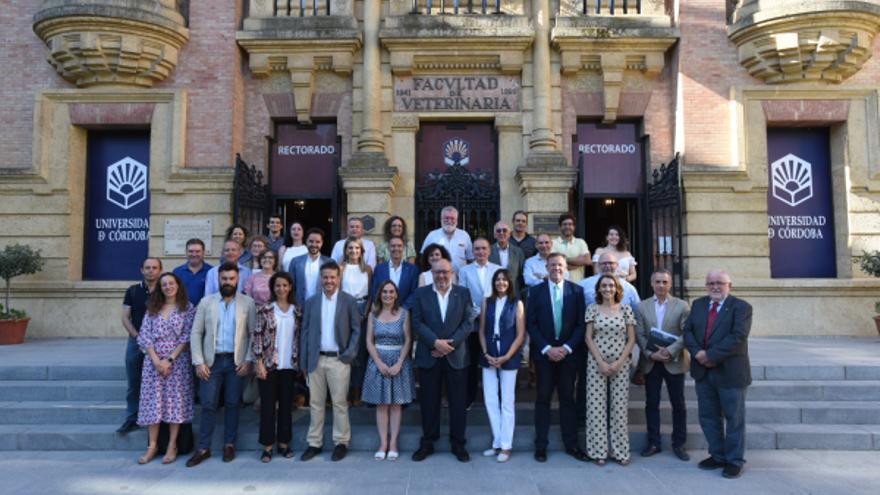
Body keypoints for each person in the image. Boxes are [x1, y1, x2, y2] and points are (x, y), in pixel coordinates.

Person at [683, 270, 753, 479]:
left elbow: (738, 336)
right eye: (711, 283)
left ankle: (734, 461)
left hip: (730, 372)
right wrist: (697, 353)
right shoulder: (698, 305)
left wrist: (710, 355)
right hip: (704, 372)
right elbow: (688, 332)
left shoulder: (742, 307)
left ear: (729, 286)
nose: (715, 287)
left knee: (734, 419)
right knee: (708, 417)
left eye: (720, 283)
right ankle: (717, 455)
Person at [186, 263, 256, 467]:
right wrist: (198, 362)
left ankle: (229, 445)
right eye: (224, 279)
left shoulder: (248, 303)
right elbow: (196, 333)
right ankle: (203, 448)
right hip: (212, 362)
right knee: (208, 405)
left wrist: (248, 359)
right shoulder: (206, 302)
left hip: (236, 362)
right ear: (218, 279)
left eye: (231, 279)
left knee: (233, 404)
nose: (228, 282)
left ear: (238, 280)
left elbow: (253, 334)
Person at [410, 258, 475, 462]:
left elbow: (468, 322)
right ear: (431, 273)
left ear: (452, 273)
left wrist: (449, 345)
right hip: (429, 355)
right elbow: (417, 322)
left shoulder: (463, 293)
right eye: (437, 272)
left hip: (456, 356)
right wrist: (435, 343)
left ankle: (458, 444)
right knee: (429, 402)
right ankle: (428, 442)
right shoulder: (421, 293)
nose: (441, 276)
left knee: (458, 402)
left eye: (445, 272)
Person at [526, 253, 588, 463]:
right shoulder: (535, 292)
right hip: (544, 357)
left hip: (568, 356)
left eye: (560, 265)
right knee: (543, 399)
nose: (556, 269)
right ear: (547, 267)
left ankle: (571, 444)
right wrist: (546, 348)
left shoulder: (577, 291)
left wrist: (567, 348)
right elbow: (531, 324)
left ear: (566, 267)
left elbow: (582, 324)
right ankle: (541, 446)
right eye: (553, 265)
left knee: (567, 399)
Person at [299, 261, 362, 462]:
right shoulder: (312, 302)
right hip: (315, 360)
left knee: (339, 403)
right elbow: (305, 332)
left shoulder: (348, 301)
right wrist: (304, 362)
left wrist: (348, 355)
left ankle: (341, 442)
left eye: (332, 277)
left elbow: (356, 330)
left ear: (338, 278)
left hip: (338, 360)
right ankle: (314, 443)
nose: (328, 280)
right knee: (316, 403)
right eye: (325, 277)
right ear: (321, 278)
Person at [135, 272, 195, 465]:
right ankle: (152, 446)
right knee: (154, 403)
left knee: (174, 403)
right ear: (160, 288)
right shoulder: (153, 308)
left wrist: (169, 360)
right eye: (164, 284)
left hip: (177, 362)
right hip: (153, 362)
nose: (168, 287)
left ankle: (172, 445)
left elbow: (186, 337)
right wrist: (156, 360)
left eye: (171, 283)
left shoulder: (187, 308)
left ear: (178, 285)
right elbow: (145, 335)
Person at [635, 269, 691, 461]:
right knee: (651, 403)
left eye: (664, 282)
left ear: (670, 284)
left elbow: (687, 333)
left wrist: (670, 351)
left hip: (674, 362)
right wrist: (652, 354)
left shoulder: (682, 306)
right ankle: (653, 443)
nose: (661, 285)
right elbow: (640, 335)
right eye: (657, 282)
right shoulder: (642, 307)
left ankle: (679, 444)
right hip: (651, 363)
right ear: (651, 284)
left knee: (679, 404)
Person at [577, 251, 640, 423]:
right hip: (590, 344)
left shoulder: (629, 289)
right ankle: (585, 418)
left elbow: (637, 314)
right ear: (597, 265)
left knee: (617, 389)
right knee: (588, 384)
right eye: (603, 263)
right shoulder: (583, 285)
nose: (607, 266)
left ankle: (613, 422)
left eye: (611, 263)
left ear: (617, 265)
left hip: (620, 346)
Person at [585, 275, 637, 465]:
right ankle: (599, 451)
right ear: (598, 289)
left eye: (611, 285)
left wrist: (619, 362)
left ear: (617, 288)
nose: (607, 288)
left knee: (619, 408)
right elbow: (588, 337)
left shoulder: (626, 309)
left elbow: (631, 339)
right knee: (596, 407)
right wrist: (600, 361)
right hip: (596, 363)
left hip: (620, 364)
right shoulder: (592, 309)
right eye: (604, 286)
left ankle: (620, 452)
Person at [363, 280, 415, 461]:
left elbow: (408, 339)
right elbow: (369, 341)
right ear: (380, 294)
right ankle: (383, 443)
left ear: (396, 295)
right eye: (384, 292)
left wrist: (400, 362)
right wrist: (378, 362)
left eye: (391, 292)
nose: (388, 295)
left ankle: (393, 444)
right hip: (378, 362)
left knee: (395, 405)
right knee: (381, 405)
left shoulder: (404, 314)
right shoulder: (373, 315)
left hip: (398, 361)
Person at [478, 269, 525, 463]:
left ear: (510, 282)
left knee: (506, 401)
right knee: (490, 399)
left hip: (509, 356)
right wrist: (486, 352)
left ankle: (506, 446)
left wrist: (506, 356)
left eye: (504, 279)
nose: (501, 283)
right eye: (497, 279)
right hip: (489, 355)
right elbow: (481, 331)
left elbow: (520, 334)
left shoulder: (517, 303)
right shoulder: (486, 302)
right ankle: (497, 442)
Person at [252, 272, 300, 463]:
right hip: (269, 366)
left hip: (289, 365)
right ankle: (267, 446)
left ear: (290, 288)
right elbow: (257, 337)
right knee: (268, 407)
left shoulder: (297, 311)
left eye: (285, 285)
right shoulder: (265, 310)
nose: (281, 289)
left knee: (287, 406)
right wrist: (259, 363)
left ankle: (284, 443)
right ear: (273, 288)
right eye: (278, 286)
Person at [118, 257, 162, 434]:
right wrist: (139, 337)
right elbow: (125, 317)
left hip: (160, 344)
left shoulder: (165, 290)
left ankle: (158, 418)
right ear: (142, 270)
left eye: (154, 268)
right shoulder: (133, 291)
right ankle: (132, 418)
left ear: (160, 270)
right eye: (147, 268)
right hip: (136, 342)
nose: (151, 271)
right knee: (134, 381)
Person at [458, 238, 501, 408]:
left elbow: (502, 293)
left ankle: (493, 399)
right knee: (471, 361)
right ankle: (469, 399)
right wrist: (476, 312)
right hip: (473, 324)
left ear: (489, 251)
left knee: (493, 361)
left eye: (484, 248)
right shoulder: (465, 270)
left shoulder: (499, 269)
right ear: (473, 252)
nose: (481, 252)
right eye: (477, 249)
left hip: (494, 324)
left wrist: (489, 314)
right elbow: (463, 294)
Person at [340, 238, 373, 406]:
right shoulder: (341, 268)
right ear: (346, 250)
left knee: (360, 352)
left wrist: (365, 313)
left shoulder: (367, 269)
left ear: (361, 251)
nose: (354, 251)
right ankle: (344, 391)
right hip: (345, 308)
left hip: (362, 309)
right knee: (346, 350)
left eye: (357, 248)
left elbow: (371, 295)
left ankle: (358, 391)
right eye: (350, 248)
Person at [371, 236, 419, 310]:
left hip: (405, 312)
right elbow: (375, 291)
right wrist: (383, 307)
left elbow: (414, 292)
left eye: (399, 246)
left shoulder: (412, 269)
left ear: (403, 248)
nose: (396, 248)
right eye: (393, 246)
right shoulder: (379, 268)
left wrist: (402, 309)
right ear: (388, 248)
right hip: (383, 312)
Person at [419, 205, 473, 272]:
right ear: (441, 219)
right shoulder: (432, 235)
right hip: (438, 277)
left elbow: (470, 259)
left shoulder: (464, 236)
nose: (449, 221)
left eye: (452, 218)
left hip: (460, 278)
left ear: (456, 220)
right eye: (446, 218)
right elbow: (423, 256)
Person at [288, 228, 332, 305]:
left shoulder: (329, 262)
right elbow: (290, 286)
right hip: (300, 306)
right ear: (306, 242)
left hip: (322, 306)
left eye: (317, 242)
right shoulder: (296, 261)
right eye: (311, 241)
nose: (314, 245)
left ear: (322, 243)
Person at [489, 221, 525, 297]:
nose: (501, 233)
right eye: (498, 231)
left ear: (509, 234)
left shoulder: (518, 252)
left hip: (514, 293)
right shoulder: (488, 251)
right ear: (494, 235)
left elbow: (522, 275)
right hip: (494, 293)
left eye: (504, 230)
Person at [173, 239, 213, 307]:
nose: (194, 254)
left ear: (203, 252)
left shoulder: (211, 271)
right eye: (191, 251)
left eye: (197, 251)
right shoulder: (177, 272)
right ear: (186, 252)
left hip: (205, 313)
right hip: (182, 312)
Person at [553, 213, 591, 283]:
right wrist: (578, 262)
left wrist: (564, 259)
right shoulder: (553, 243)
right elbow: (554, 264)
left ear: (574, 227)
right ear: (560, 227)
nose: (567, 226)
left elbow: (587, 261)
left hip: (578, 284)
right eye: (564, 224)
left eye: (570, 224)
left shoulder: (581, 242)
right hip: (559, 285)